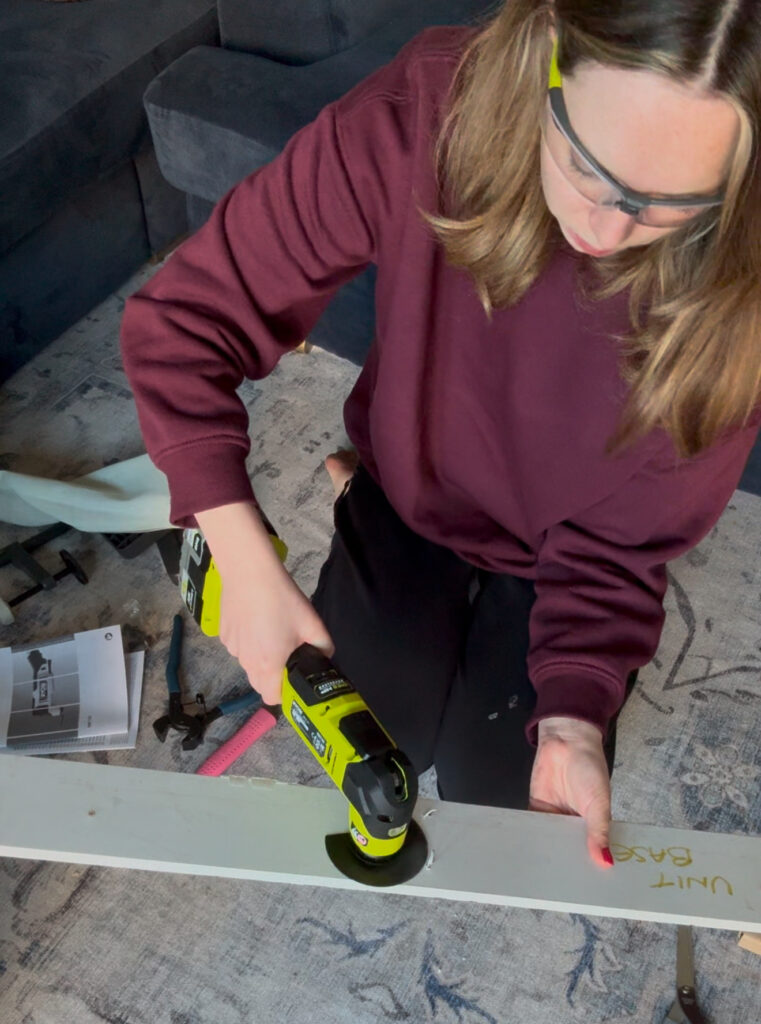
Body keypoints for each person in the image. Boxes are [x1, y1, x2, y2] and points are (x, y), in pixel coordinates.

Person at [121, 1, 761, 869]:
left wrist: (573, 712)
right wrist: (238, 552)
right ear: (548, 52)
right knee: (376, 734)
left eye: (665, 204)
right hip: (414, 486)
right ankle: (363, 496)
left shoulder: (739, 287)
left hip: (570, 542)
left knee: (499, 794)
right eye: (584, 164)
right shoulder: (425, 111)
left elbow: (619, 547)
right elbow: (185, 321)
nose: (605, 233)